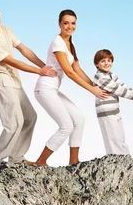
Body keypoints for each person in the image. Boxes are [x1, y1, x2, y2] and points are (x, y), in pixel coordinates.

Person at [0, 1, 57, 165]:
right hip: (2, 81)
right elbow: (10, 61)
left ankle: (16, 158)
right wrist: (39, 72)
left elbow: (24, 49)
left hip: (14, 80)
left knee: (30, 117)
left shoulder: (6, 29)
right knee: (13, 123)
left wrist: (43, 65)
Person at [33, 9, 109, 166]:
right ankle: (41, 162)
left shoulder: (70, 44)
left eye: (73, 23)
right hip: (44, 88)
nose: (70, 26)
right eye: (66, 23)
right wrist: (91, 90)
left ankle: (73, 162)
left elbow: (77, 69)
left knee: (79, 120)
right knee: (66, 126)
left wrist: (93, 85)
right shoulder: (58, 43)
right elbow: (69, 72)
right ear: (59, 24)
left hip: (53, 90)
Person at [93, 49, 133, 155]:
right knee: (113, 141)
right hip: (106, 113)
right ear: (97, 64)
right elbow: (120, 91)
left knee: (120, 139)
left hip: (115, 111)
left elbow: (125, 87)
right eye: (103, 61)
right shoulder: (100, 77)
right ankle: (115, 164)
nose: (107, 63)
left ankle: (126, 162)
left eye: (109, 60)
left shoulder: (111, 75)